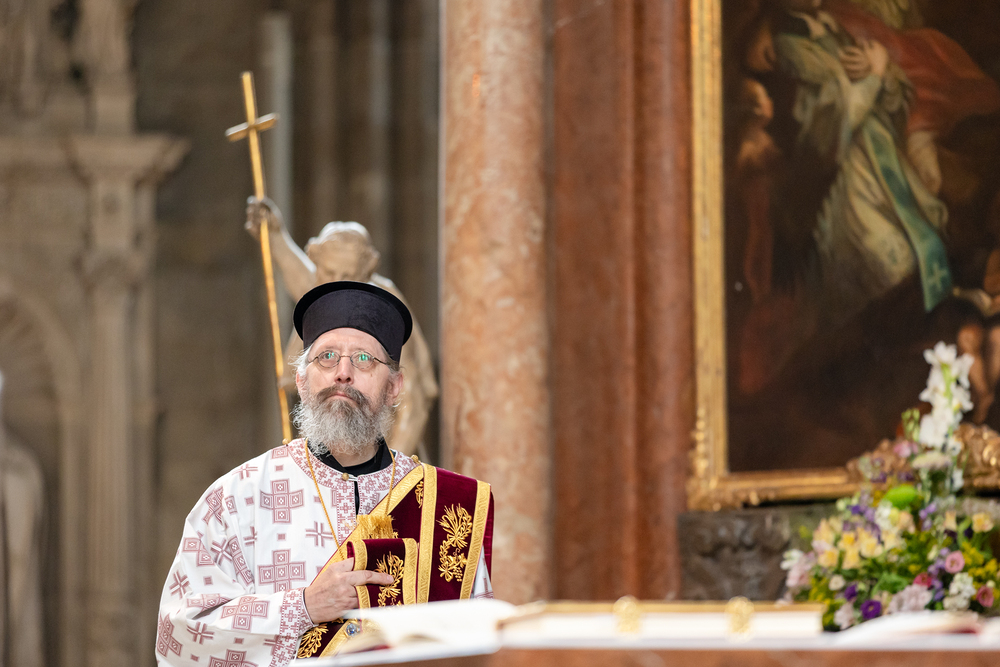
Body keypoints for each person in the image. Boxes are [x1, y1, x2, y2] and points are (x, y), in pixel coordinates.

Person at [156, 282, 494, 667]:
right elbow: (178, 635)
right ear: (302, 381)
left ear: (394, 387)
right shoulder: (237, 498)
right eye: (327, 357)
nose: (343, 374)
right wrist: (303, 606)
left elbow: (480, 642)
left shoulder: (448, 505)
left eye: (364, 359)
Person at [245, 199, 438, 457]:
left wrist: (391, 473)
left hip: (383, 450)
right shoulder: (322, 291)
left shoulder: (385, 312)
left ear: (367, 270)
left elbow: (413, 406)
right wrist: (274, 235)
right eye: (328, 272)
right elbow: (301, 277)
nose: (336, 284)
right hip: (327, 451)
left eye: (348, 275)